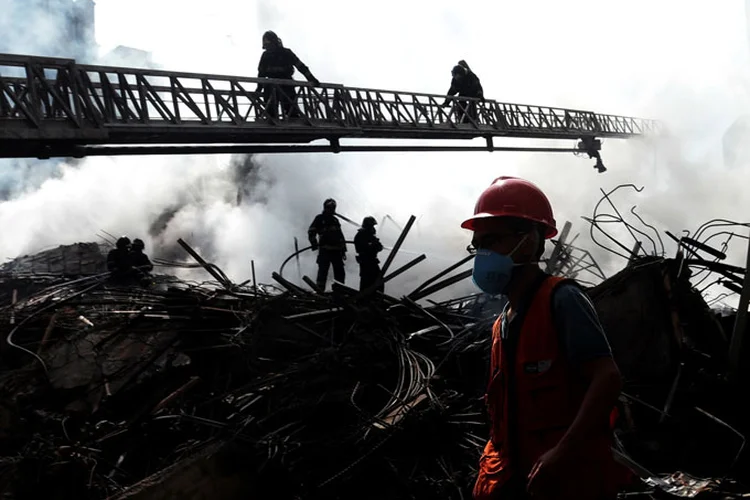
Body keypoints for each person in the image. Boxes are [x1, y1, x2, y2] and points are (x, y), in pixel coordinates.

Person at [463, 176, 628, 500]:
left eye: (491, 241)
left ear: (526, 240)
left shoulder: (562, 300)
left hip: (567, 482)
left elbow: (607, 379)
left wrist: (561, 452)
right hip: (519, 481)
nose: (481, 253)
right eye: (477, 245)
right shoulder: (502, 325)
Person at [256, 30, 320, 120]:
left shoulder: (286, 53)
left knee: (291, 111)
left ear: (274, 43)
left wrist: (312, 79)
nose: (268, 47)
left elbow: (300, 66)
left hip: (286, 86)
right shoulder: (265, 55)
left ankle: (292, 120)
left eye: (269, 45)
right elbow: (261, 74)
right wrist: (259, 88)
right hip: (271, 87)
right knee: (271, 113)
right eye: (266, 45)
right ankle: (273, 122)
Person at [308, 198, 347, 291]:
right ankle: (320, 291)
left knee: (340, 272)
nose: (332, 210)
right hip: (325, 250)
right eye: (330, 208)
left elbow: (340, 236)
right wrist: (314, 244)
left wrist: (343, 250)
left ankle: (339, 291)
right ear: (325, 208)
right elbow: (311, 231)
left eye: (333, 208)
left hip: (337, 251)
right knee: (323, 272)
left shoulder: (335, 220)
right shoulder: (319, 218)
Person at [354, 216, 384, 292]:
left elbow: (379, 247)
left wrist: (375, 245)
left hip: (372, 261)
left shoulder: (371, 236)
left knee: (378, 280)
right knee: (366, 282)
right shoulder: (360, 235)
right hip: (366, 261)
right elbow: (360, 249)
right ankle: (363, 300)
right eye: (372, 226)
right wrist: (371, 245)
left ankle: (376, 299)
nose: (373, 228)